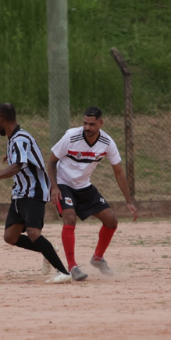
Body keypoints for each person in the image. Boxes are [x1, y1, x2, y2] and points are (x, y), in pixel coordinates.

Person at [0, 103, 70, 284]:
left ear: (1, 119)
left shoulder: (20, 138)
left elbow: (18, 165)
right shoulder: (15, 138)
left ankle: (63, 272)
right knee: (10, 237)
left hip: (33, 192)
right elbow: (21, 157)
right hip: (20, 193)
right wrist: (8, 156)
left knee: (34, 232)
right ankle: (48, 251)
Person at [45, 106, 138, 281]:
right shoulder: (71, 137)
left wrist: (129, 201)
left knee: (111, 220)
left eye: (92, 124)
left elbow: (118, 172)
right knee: (70, 217)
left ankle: (97, 258)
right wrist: (54, 188)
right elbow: (51, 161)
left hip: (84, 186)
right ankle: (72, 267)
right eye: (85, 123)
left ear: (101, 123)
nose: (87, 127)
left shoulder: (107, 143)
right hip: (64, 184)